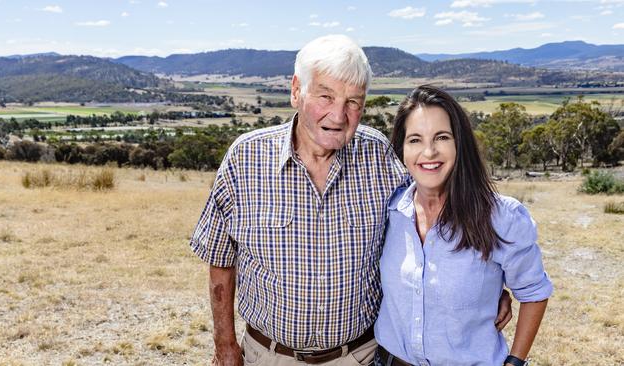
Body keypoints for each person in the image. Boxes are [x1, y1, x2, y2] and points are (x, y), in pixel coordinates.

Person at [190, 35, 512, 366]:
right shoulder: (245, 158)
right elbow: (220, 259)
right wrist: (225, 344)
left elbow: (435, 218)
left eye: (353, 102)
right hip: (268, 355)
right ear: (296, 90)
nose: (339, 115)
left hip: (359, 356)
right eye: (325, 96)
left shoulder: (380, 156)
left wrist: (483, 288)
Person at [374, 85, 553, 366]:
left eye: (442, 137)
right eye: (415, 140)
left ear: (460, 143)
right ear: (402, 148)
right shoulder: (390, 210)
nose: (429, 151)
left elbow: (534, 292)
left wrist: (515, 361)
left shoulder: (500, 217)